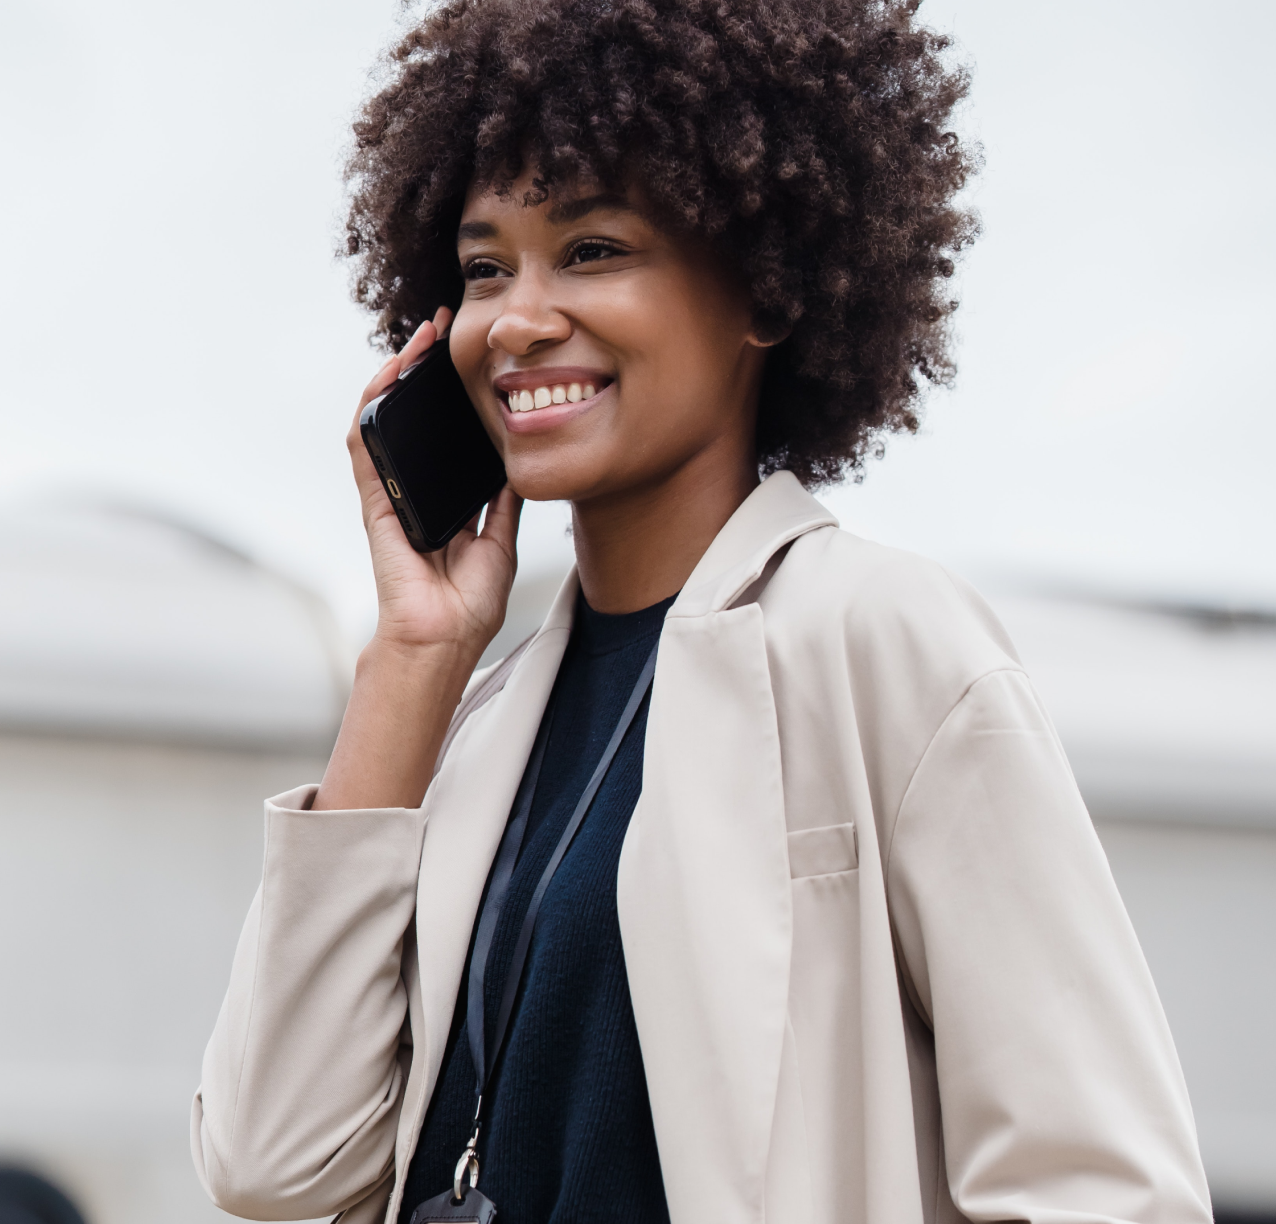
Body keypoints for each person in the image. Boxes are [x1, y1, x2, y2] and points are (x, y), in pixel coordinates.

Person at [192, 1, 1212, 1222]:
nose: (517, 320)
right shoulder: (481, 719)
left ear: (766, 293)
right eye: (482, 268)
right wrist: (413, 658)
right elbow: (272, 1169)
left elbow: (1102, 1190)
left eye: (593, 249)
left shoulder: (883, 643)